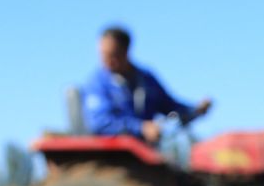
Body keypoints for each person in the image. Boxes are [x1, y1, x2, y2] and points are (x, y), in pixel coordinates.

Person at [83, 25, 212, 143]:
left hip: (144, 150)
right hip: (112, 151)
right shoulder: (97, 83)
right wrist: (141, 128)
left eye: (113, 55)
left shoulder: (145, 79)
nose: (108, 61)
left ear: (126, 51)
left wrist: (194, 110)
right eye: (103, 55)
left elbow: (169, 107)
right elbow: (99, 123)